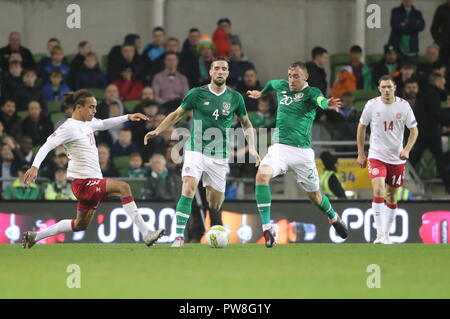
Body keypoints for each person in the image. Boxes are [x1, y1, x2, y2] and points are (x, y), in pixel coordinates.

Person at [21, 89, 164, 249]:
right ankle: (146, 233)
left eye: (95, 107)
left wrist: (128, 117)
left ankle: (36, 236)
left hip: (91, 182)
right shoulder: (68, 127)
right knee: (124, 187)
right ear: (79, 107)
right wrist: (35, 167)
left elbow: (103, 124)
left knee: (80, 224)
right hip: (84, 183)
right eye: (91, 107)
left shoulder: (87, 123)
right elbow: (47, 145)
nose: (94, 110)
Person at [144, 57, 259, 247]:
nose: (220, 71)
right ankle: (179, 236)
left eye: (224, 69)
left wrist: (253, 147)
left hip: (219, 154)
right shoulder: (197, 94)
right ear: (211, 73)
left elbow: (247, 124)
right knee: (188, 187)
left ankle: (209, 214)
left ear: (228, 73)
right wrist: (158, 130)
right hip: (195, 149)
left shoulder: (235, 98)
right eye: (217, 68)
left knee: (214, 203)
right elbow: (176, 114)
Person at [246, 61, 348, 248]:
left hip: (302, 153)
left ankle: (333, 217)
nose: (291, 80)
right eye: (290, 75)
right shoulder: (282, 86)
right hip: (279, 149)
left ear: (305, 77)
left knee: (315, 197)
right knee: (261, 176)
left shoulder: (311, 92)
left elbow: (320, 101)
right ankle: (267, 228)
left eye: (296, 76)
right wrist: (262, 92)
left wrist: (327, 103)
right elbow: (271, 84)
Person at [357, 75, 419, 244]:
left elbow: (414, 130)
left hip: (397, 158)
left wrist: (406, 149)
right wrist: (361, 153)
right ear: (379, 89)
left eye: (389, 87)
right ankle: (379, 234)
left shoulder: (404, 106)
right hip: (376, 155)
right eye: (383, 87)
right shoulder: (371, 105)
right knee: (378, 190)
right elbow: (362, 126)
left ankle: (387, 233)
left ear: (395, 88)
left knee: (391, 196)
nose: (386, 90)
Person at [409, 73, 450, 192]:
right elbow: (436, 113)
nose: (444, 83)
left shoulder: (423, 92)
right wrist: (446, 122)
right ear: (436, 81)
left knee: (414, 158)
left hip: (420, 130)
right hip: (430, 131)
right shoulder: (433, 94)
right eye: (442, 81)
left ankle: (399, 179)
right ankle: (448, 185)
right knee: (440, 159)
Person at [431, 0, 450, 69]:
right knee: (443, 68)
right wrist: (439, 42)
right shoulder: (441, 9)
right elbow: (434, 29)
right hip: (444, 46)